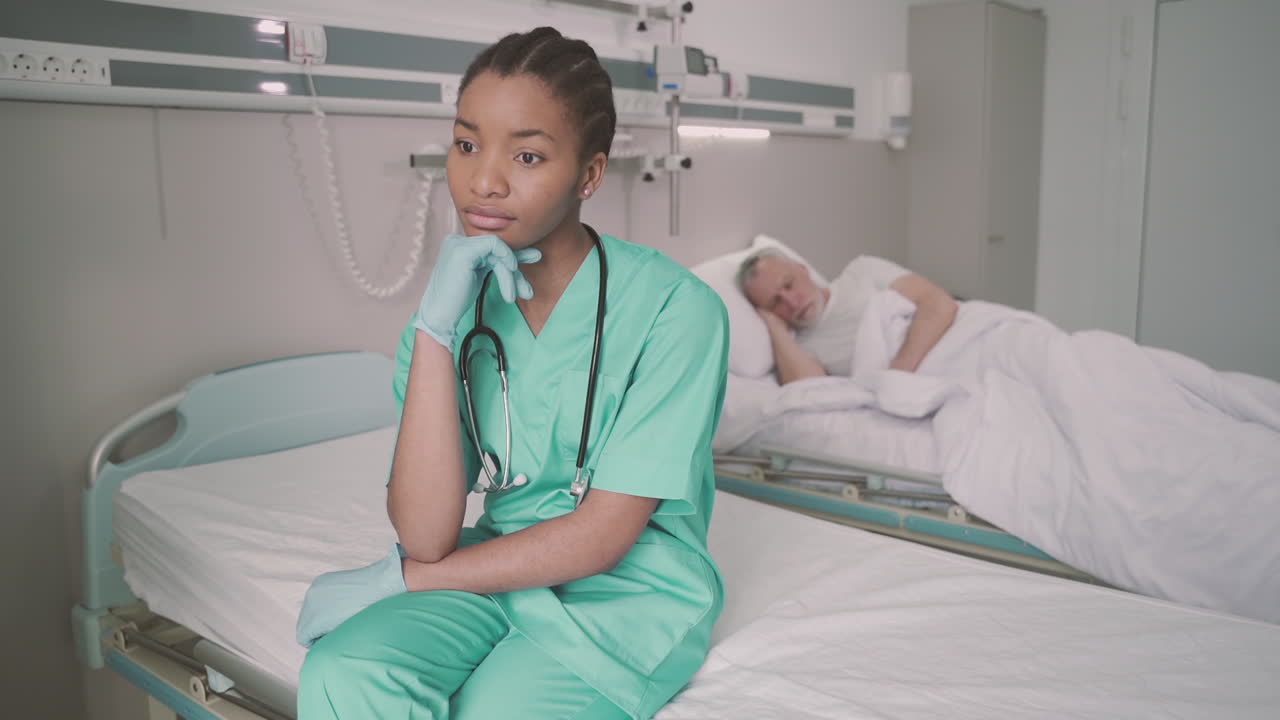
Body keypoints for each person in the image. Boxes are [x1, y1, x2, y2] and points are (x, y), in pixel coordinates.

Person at [293, 27, 729, 720]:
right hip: (494, 566)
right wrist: (436, 334)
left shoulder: (679, 312)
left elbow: (603, 536)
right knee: (344, 672)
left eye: (527, 155)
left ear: (589, 175)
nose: (484, 180)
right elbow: (428, 533)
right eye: (467, 144)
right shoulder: (448, 318)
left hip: (631, 592)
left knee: (498, 709)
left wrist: (403, 581)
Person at [736, 249, 958, 384]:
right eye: (775, 302)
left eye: (789, 284)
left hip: (958, 339)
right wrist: (774, 327)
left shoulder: (862, 271)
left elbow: (939, 303)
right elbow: (810, 392)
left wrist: (902, 368)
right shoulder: (800, 349)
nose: (792, 302)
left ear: (802, 269)